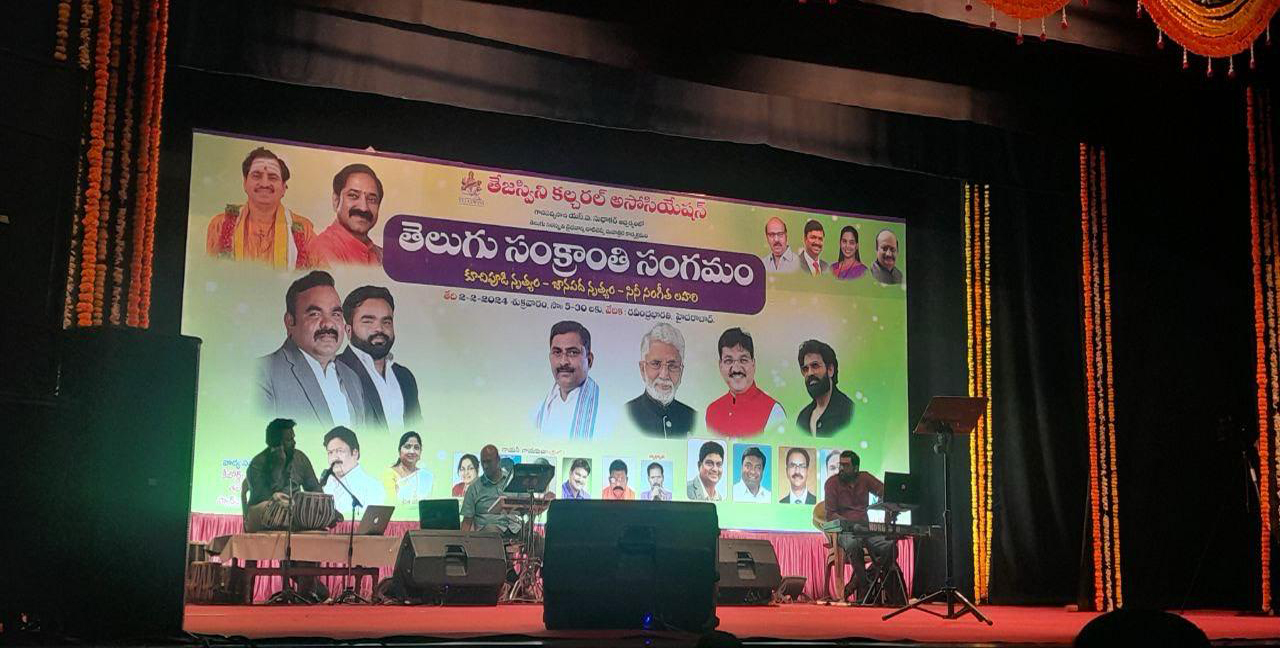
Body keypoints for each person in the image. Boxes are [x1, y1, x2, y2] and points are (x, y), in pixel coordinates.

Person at [258, 271, 367, 430]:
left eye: (336, 314)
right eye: (315, 314)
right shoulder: (263, 374)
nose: (328, 324)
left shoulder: (352, 379)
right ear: (290, 322)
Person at [206, 147, 316, 270]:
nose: (264, 184)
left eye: (272, 177)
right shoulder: (220, 225)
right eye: (256, 176)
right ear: (245, 183)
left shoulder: (304, 229)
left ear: (284, 188)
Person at [337, 286, 422, 430]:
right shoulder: (335, 372)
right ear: (349, 330)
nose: (379, 329)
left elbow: (418, 432)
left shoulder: (405, 377)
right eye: (368, 321)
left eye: (386, 322)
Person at [824, 450, 895, 604]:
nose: (841, 468)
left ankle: (856, 583)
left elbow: (887, 492)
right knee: (854, 545)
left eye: (846, 465)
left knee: (890, 546)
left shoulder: (864, 478)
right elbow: (830, 514)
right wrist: (850, 524)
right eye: (840, 465)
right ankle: (864, 586)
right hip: (845, 531)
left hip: (866, 530)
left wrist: (887, 516)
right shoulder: (831, 483)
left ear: (856, 468)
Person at [244, 418, 328, 532]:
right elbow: (267, 505)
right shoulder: (257, 464)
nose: (294, 443)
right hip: (265, 521)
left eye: (293, 438)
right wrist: (278, 468)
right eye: (289, 440)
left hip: (296, 519)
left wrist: (326, 510)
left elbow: (315, 489)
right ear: (276, 445)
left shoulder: (300, 458)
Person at [705, 328, 784, 437]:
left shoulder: (774, 411)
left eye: (743, 360)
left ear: (753, 364)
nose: (736, 368)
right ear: (720, 365)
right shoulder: (712, 412)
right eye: (729, 361)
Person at [626, 323, 696, 438]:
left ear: (681, 371)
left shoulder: (693, 418)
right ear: (642, 369)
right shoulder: (627, 415)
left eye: (672, 366)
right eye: (656, 364)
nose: (664, 375)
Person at [535, 321, 601, 439]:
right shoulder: (539, 407)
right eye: (557, 352)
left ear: (589, 360)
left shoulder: (605, 407)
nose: (563, 362)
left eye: (572, 353)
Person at [309, 163, 385, 266]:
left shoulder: (381, 255)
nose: (363, 208)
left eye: (371, 199)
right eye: (353, 196)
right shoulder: (323, 248)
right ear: (336, 200)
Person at [321, 426, 386, 514]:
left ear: (355, 453)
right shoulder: (324, 485)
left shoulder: (373, 487)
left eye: (339, 451)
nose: (334, 457)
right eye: (330, 452)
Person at [796, 340, 854, 437]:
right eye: (805, 369)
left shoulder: (849, 412)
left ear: (830, 370)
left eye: (815, 366)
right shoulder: (803, 418)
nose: (810, 373)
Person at [460, 444, 521, 537]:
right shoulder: (474, 488)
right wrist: (461, 542)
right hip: (488, 534)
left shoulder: (513, 481)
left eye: (488, 462)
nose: (485, 466)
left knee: (537, 538)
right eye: (483, 462)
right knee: (491, 530)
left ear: (498, 460)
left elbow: (528, 505)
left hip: (514, 529)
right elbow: (467, 521)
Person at [380, 431, 434, 504]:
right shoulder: (389, 474)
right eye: (407, 447)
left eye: (416, 448)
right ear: (399, 451)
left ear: (420, 452)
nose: (412, 451)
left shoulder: (426, 476)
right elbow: (390, 504)